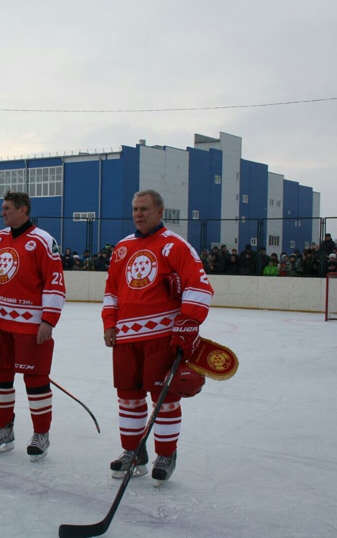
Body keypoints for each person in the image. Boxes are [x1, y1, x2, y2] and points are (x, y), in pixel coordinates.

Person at [102, 189, 214, 486]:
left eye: (145, 209)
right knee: (128, 398)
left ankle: (166, 454)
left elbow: (199, 286)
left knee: (164, 399)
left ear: (160, 212)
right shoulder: (123, 248)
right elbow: (112, 290)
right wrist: (109, 323)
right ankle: (133, 453)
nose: (139, 214)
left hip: (161, 338)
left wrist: (188, 324)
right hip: (126, 339)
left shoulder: (175, 246)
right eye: (135, 208)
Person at [0, 191, 65, 462]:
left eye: (7, 208)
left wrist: (48, 320)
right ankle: (4, 428)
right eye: (2, 208)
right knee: (1, 379)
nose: (2, 213)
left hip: (31, 326)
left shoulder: (42, 240)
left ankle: (41, 433)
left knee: (36, 381)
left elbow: (54, 281)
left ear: (23, 209)